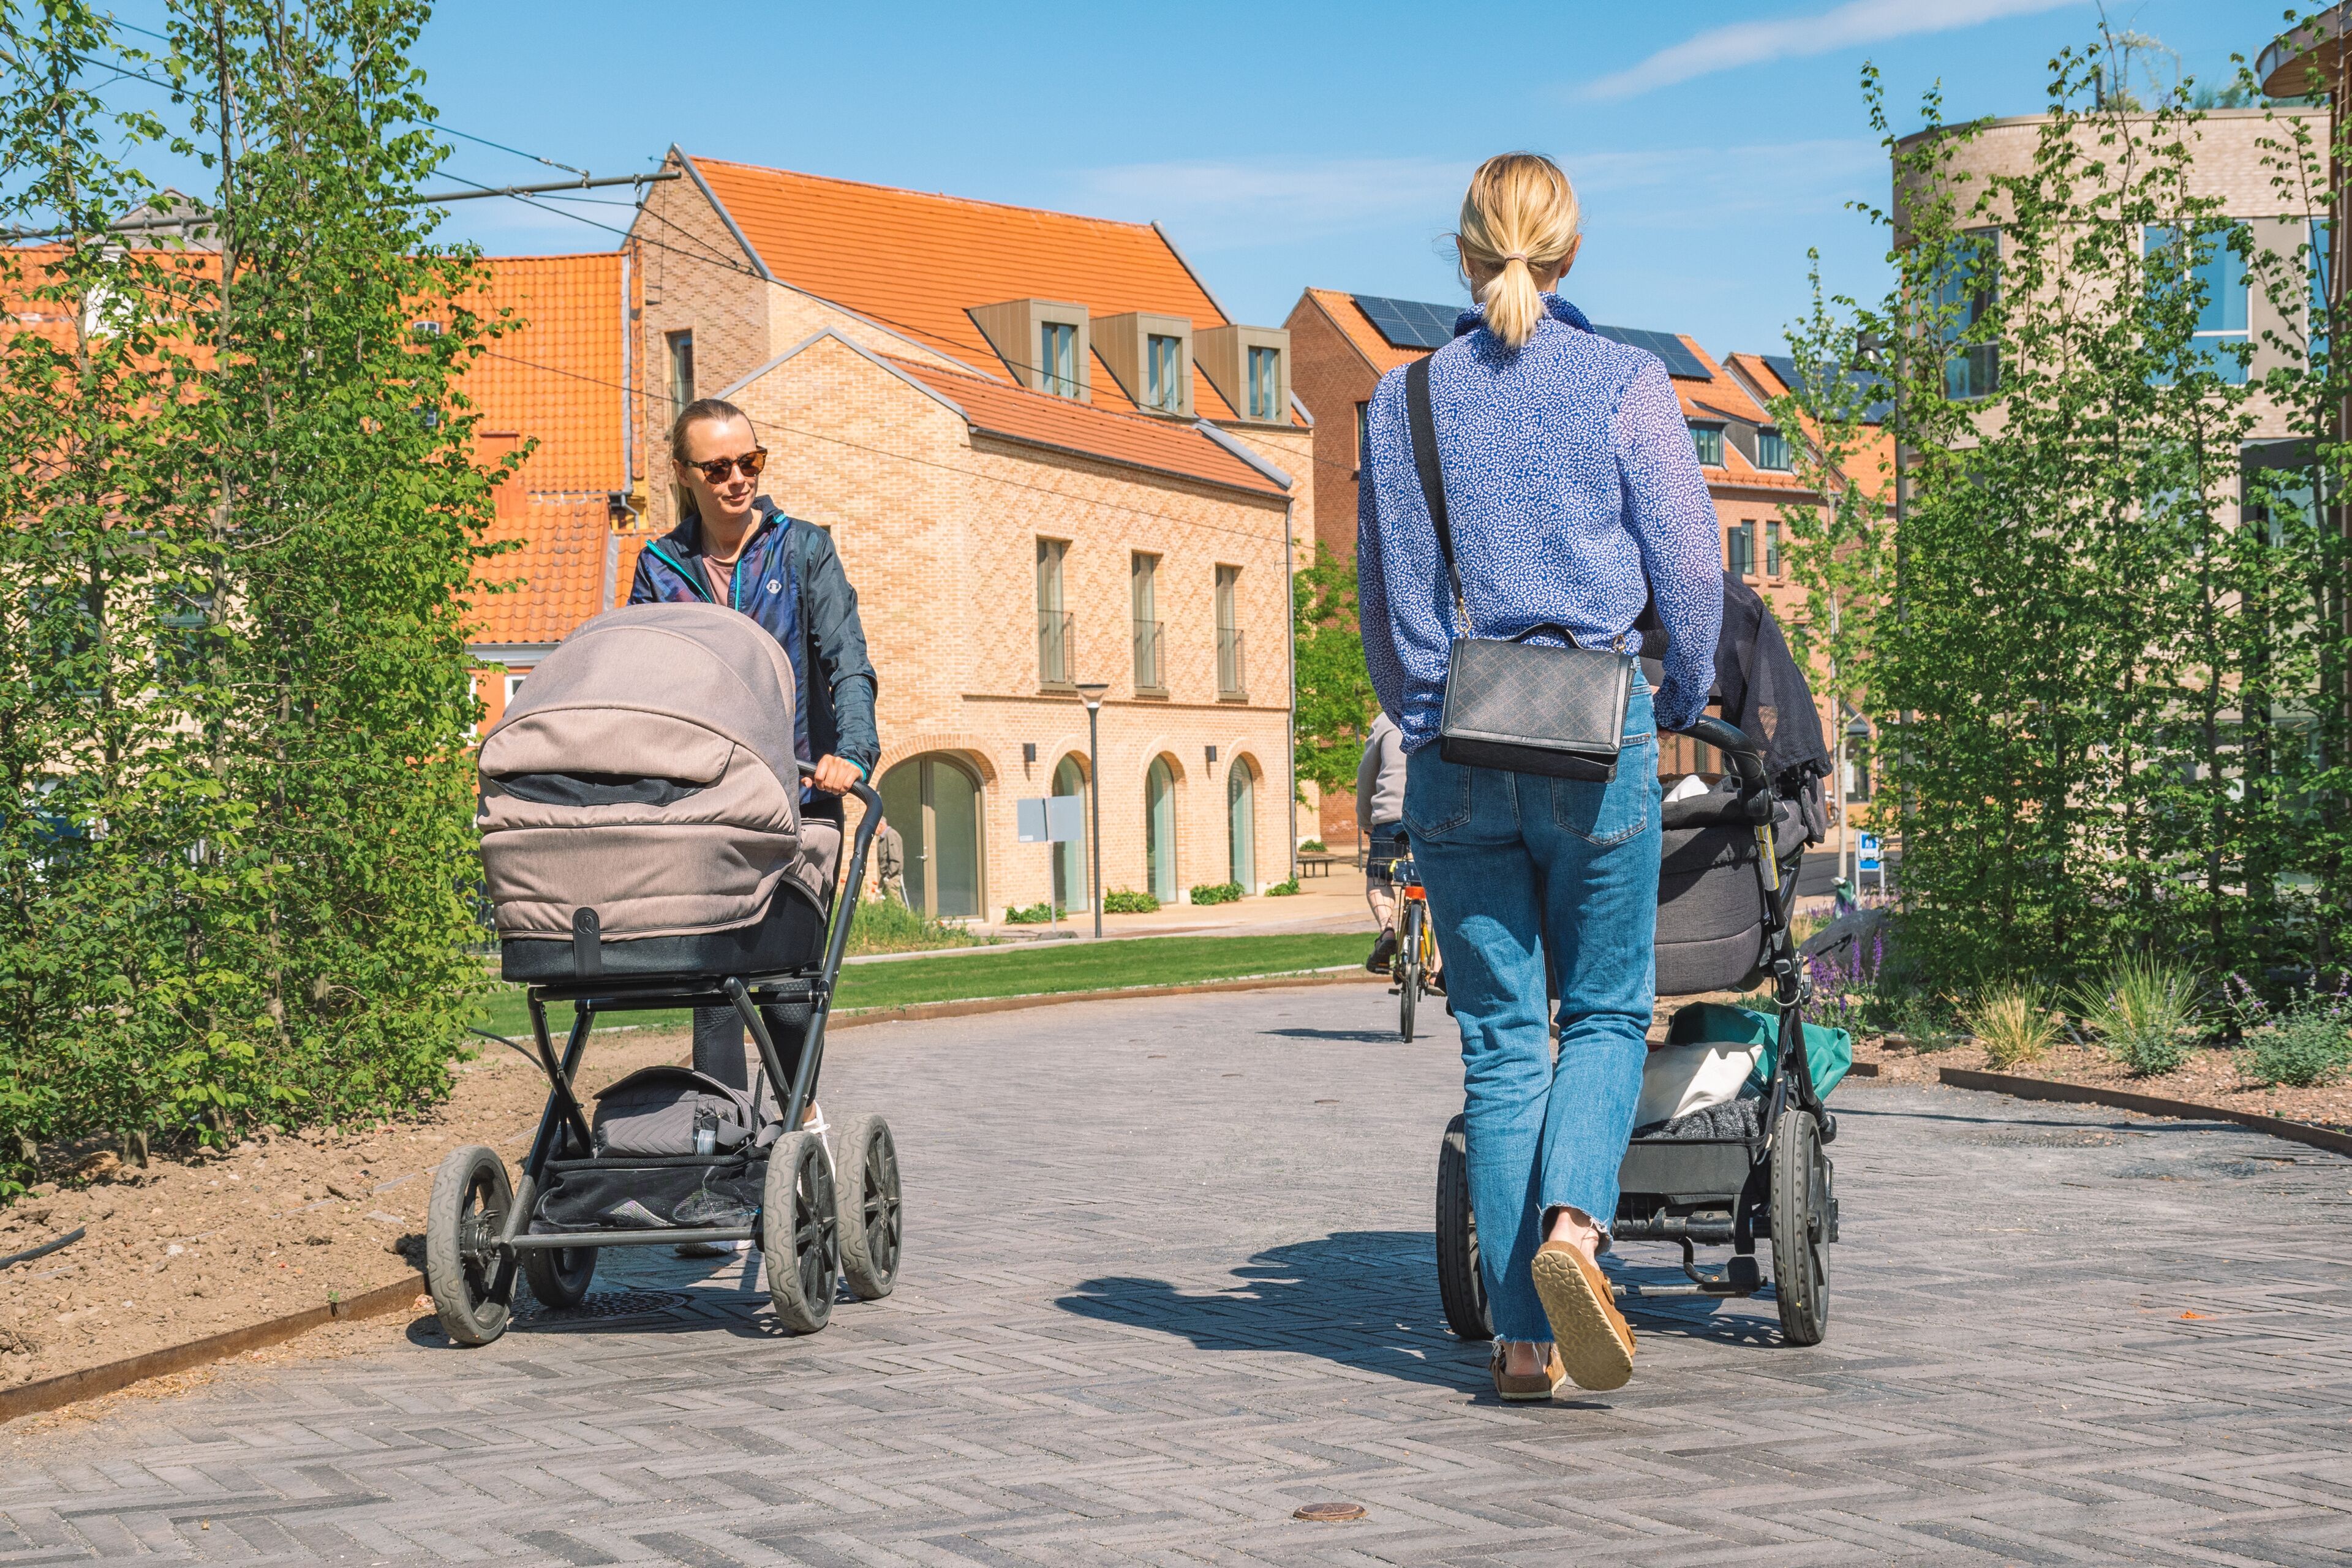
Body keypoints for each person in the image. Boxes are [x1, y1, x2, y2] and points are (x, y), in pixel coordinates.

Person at [1357, 154, 1722, 1400]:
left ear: (1464, 253)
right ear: (1569, 253)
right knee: (1606, 1014)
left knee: (1503, 1044)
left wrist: (1425, 718)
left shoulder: (1402, 399)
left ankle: (1523, 1342)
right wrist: (1677, 696)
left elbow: (1387, 597)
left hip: (1456, 743)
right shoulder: (1626, 383)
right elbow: (1694, 567)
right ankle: (1574, 1229)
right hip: (1595, 736)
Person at [630, 397, 880, 1253]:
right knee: (710, 980)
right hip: (702, 807)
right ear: (685, 474)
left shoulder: (802, 550)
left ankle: (802, 1128)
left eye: (751, 462)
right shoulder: (660, 565)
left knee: (783, 979)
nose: (738, 480)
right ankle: (716, 1171)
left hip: (799, 796)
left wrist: (851, 753)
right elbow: (646, 675)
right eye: (718, 468)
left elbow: (847, 663)